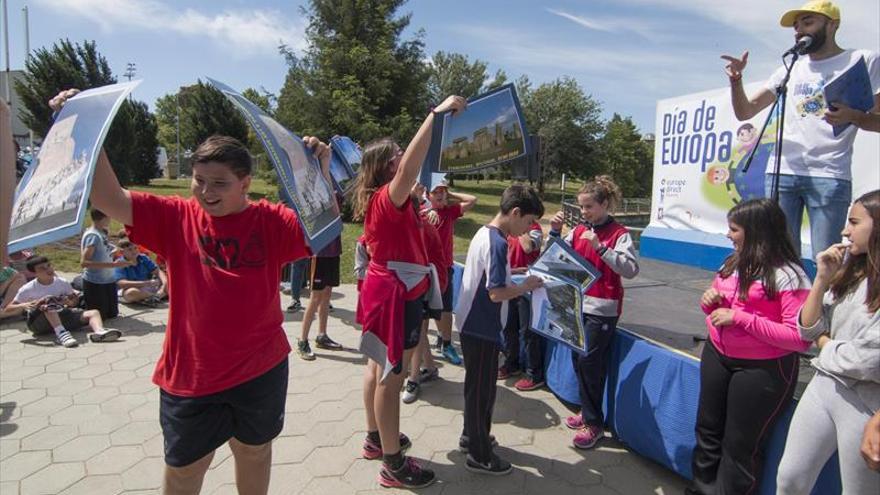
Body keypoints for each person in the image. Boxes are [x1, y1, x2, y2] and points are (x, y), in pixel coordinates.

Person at [56, 81, 320, 495]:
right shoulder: (175, 217)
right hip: (192, 374)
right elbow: (108, 197)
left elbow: (321, 225)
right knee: (184, 469)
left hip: (260, 367)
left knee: (254, 452)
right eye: (198, 180)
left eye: (219, 183)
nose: (205, 192)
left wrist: (313, 169)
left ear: (245, 182)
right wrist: (83, 131)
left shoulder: (271, 221)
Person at [352, 95, 466, 489]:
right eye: (399, 155)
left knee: (375, 367)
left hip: (388, 292)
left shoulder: (396, 202)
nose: (406, 158)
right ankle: (393, 464)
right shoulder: (389, 196)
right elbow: (415, 161)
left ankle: (374, 437)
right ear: (389, 167)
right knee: (391, 376)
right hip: (396, 298)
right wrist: (434, 115)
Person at [720, 0, 880, 259]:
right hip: (782, 173)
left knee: (827, 257)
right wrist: (736, 81)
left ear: (832, 25)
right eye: (796, 26)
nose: (799, 31)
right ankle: (793, 301)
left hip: (829, 172)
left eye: (808, 22)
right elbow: (745, 112)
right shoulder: (790, 67)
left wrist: (853, 116)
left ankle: (826, 300)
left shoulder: (862, 60)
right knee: (782, 258)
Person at [686, 198, 812, 494]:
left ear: (757, 232)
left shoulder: (790, 275)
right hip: (718, 356)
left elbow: (798, 338)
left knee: (740, 446)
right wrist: (710, 304)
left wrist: (741, 319)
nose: (728, 235)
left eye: (734, 229)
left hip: (763, 370)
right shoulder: (731, 263)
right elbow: (720, 306)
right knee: (707, 431)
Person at [776, 189, 880, 494]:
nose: (844, 231)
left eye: (854, 222)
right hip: (823, 386)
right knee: (790, 478)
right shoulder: (851, 273)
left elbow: (866, 361)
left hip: (866, 401)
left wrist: (824, 343)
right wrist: (821, 279)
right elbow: (808, 328)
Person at [454, 184, 544, 475]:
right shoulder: (500, 242)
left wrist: (516, 275)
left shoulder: (487, 233)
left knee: (476, 388)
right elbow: (495, 292)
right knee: (483, 393)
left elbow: (492, 275)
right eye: (529, 222)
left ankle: (471, 436)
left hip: (473, 323)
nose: (529, 229)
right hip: (482, 327)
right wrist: (525, 286)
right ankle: (480, 454)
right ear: (515, 212)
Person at [548, 177, 639, 450]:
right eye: (581, 207)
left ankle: (594, 424)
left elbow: (631, 270)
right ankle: (587, 412)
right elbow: (557, 258)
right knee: (579, 360)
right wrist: (554, 233)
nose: (584, 212)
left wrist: (601, 247)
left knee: (590, 363)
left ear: (604, 204)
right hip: (576, 305)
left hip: (603, 310)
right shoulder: (577, 231)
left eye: (589, 207)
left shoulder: (619, 233)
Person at [6, 255, 121, 347]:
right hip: (39, 324)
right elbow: (8, 308)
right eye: (42, 268)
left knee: (94, 312)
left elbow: (74, 301)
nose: (48, 269)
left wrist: (70, 302)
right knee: (48, 300)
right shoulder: (28, 288)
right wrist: (25, 305)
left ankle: (99, 333)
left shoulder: (62, 282)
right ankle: (62, 334)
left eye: (49, 265)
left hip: (62, 316)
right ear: (35, 273)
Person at [402, 182, 444, 405]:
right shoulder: (417, 220)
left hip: (427, 285)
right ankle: (430, 367)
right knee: (419, 330)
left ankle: (413, 378)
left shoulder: (422, 225)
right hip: (420, 282)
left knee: (417, 332)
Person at [426, 180, 477, 365]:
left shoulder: (449, 212)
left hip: (445, 268)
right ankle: (430, 346)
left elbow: (473, 199)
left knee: (446, 309)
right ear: (427, 196)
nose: (440, 194)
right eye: (435, 192)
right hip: (427, 270)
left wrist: (451, 196)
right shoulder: (422, 215)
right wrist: (428, 210)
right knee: (428, 311)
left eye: (442, 191)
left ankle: (446, 343)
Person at [499, 221, 545, 391]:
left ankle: (535, 374)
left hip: (528, 288)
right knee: (509, 327)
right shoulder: (507, 229)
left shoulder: (535, 230)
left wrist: (521, 227)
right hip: (510, 284)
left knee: (528, 332)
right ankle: (512, 364)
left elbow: (527, 248)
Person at [296, 230, 344, 360]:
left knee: (327, 294)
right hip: (319, 254)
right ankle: (302, 341)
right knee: (315, 297)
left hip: (334, 252)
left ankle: (322, 336)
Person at [81, 208, 126, 319]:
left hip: (108, 279)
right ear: (104, 217)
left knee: (112, 314)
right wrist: (114, 265)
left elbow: (103, 248)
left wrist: (115, 250)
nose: (110, 219)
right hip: (96, 282)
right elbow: (85, 262)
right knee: (102, 316)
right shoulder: (93, 236)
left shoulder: (101, 232)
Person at [115, 238, 168, 307]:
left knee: (169, 282)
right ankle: (156, 296)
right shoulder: (119, 263)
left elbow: (158, 271)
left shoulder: (143, 258)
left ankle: (149, 298)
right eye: (130, 249)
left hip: (146, 288)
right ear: (122, 252)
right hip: (129, 289)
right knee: (131, 293)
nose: (134, 251)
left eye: (135, 248)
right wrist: (147, 283)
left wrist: (164, 283)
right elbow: (121, 283)